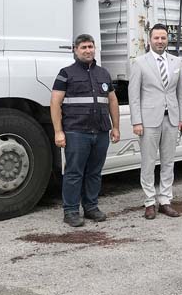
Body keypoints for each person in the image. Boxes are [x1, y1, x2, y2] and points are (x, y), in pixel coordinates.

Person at [51, 34, 121, 227]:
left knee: (94, 172)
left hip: (100, 131)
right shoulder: (66, 73)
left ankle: (91, 207)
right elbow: (55, 103)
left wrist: (115, 127)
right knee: (74, 173)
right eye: (83, 47)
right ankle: (71, 211)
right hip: (76, 131)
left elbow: (112, 101)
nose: (88, 50)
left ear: (94, 48)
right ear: (75, 50)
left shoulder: (103, 74)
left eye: (90, 47)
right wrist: (58, 132)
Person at [129, 23, 182, 220]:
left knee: (168, 162)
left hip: (171, 119)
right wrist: (136, 121)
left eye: (163, 38)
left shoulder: (176, 62)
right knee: (148, 162)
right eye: (156, 38)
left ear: (167, 39)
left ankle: (165, 201)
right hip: (148, 121)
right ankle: (149, 202)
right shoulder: (140, 63)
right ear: (150, 39)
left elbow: (181, 93)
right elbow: (134, 95)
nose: (160, 41)